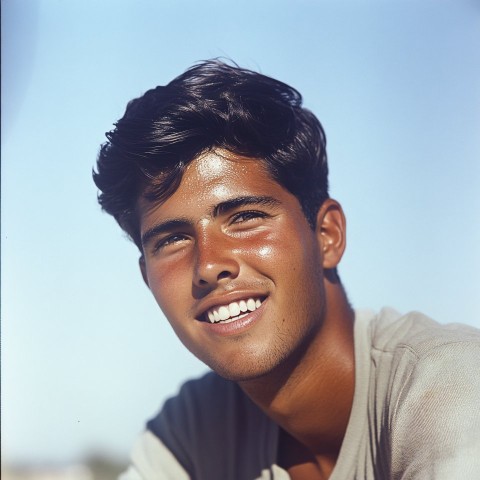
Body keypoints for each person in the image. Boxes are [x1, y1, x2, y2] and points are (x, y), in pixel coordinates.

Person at [93, 60, 480, 480]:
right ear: (147, 278)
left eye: (244, 218)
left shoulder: (453, 386)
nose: (208, 265)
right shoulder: (192, 430)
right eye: (172, 240)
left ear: (327, 235)